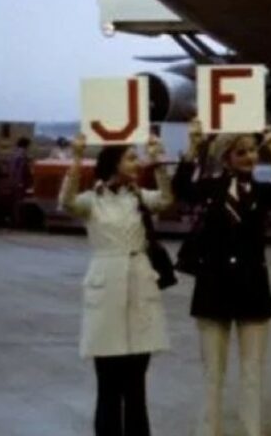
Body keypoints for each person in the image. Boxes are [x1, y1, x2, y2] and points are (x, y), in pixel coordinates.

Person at [173, 121, 271, 436]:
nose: (250, 157)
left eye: (253, 151)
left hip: (252, 288)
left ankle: (252, 430)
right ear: (227, 158)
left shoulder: (263, 190)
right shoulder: (211, 188)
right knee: (213, 372)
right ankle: (209, 430)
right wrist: (193, 147)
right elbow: (181, 189)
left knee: (253, 372)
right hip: (214, 287)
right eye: (241, 152)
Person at [58, 133, 174, 436]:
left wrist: (159, 163)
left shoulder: (138, 196)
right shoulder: (92, 200)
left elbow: (166, 200)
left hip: (139, 286)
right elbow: (66, 202)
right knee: (108, 383)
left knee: (136, 384)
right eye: (131, 157)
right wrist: (76, 157)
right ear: (113, 163)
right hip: (106, 289)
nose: (136, 163)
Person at [7, 136, 33, 226]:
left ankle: (15, 219)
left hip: (14, 181)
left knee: (15, 201)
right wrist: (20, 182)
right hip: (19, 181)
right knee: (18, 201)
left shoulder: (14, 153)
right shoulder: (21, 155)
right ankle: (17, 220)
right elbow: (20, 169)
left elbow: (12, 169)